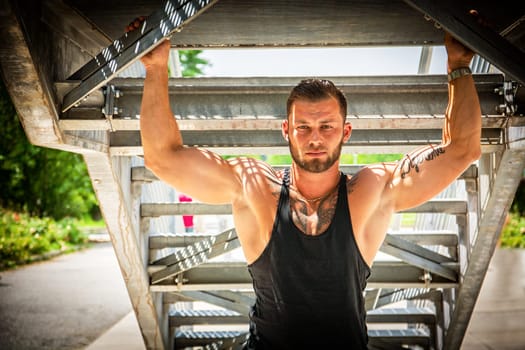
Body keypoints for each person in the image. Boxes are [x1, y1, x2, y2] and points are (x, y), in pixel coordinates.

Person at [134, 21, 481, 348]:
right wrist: (156, 67)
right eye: (303, 127)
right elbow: (163, 157)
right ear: (287, 131)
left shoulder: (372, 189)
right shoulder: (256, 189)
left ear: (346, 132)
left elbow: (461, 149)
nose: (315, 138)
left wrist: (459, 64)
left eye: (327, 126)